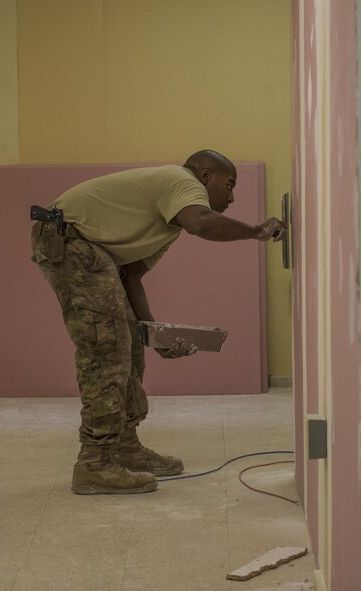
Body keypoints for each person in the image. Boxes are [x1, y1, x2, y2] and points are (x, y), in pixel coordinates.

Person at [29, 150, 285, 495]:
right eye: (229, 185)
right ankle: (94, 462)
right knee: (107, 348)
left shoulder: (167, 223)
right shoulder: (181, 182)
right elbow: (201, 223)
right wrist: (257, 231)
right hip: (71, 242)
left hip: (87, 248)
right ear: (205, 175)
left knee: (129, 342)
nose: (232, 197)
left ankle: (124, 446)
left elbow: (131, 277)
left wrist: (156, 336)